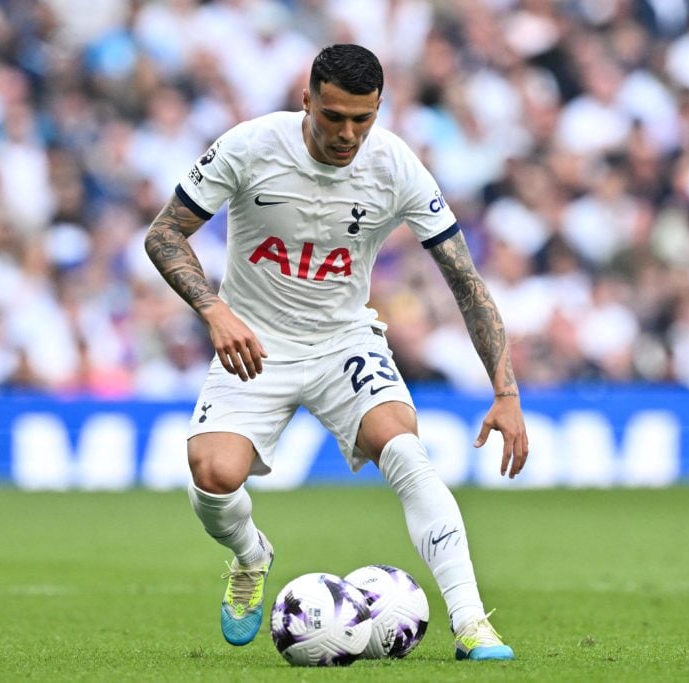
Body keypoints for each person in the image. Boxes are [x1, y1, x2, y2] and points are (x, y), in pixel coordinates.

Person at [145, 44, 529, 662]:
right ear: (307, 101)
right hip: (255, 342)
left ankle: (473, 625)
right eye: (333, 117)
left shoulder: (396, 166)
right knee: (214, 476)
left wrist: (505, 392)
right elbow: (165, 232)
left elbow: (465, 280)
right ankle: (250, 556)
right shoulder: (248, 147)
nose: (347, 134)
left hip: (342, 341)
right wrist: (215, 311)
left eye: (363, 119)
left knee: (404, 447)